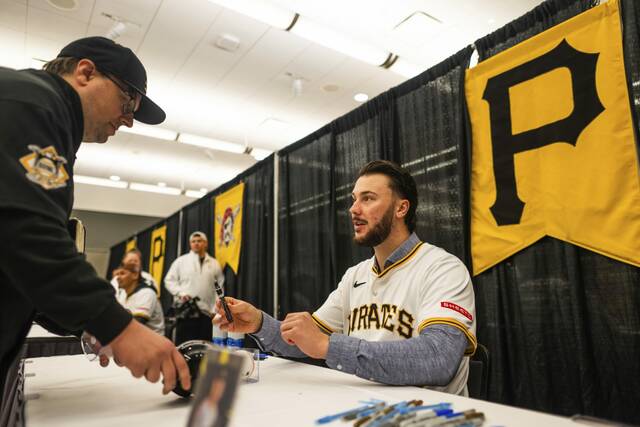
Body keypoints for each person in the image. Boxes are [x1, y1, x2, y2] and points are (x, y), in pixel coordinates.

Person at [0, 36, 190, 413]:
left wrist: (85, 325)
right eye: (126, 101)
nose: (128, 119)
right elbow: (25, 233)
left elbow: (16, 263)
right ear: (85, 72)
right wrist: (117, 326)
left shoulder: (44, 116)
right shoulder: (31, 102)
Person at [214, 160, 477, 395]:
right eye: (354, 199)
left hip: (428, 415)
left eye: (368, 198)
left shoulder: (443, 268)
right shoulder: (356, 275)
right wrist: (259, 322)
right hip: (363, 406)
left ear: (401, 208)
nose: (354, 208)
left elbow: (439, 359)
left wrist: (329, 346)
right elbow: (306, 341)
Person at [165, 231, 225, 344]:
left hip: (207, 314)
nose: (196, 243)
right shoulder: (181, 261)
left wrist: (215, 309)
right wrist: (181, 293)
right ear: (190, 244)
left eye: (199, 241)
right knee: (185, 346)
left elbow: (219, 288)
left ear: (206, 243)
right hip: (186, 313)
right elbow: (169, 281)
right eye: (193, 241)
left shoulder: (214, 263)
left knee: (205, 346)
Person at [114, 262, 165, 335]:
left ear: (135, 275)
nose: (118, 278)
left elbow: (136, 324)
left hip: (152, 342)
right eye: (117, 274)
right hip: (134, 339)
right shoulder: (123, 294)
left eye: (122, 273)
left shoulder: (147, 293)